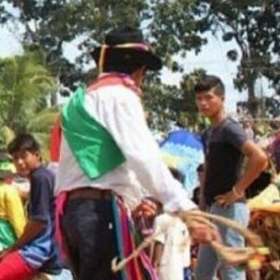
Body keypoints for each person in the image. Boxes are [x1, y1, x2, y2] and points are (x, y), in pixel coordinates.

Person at [54, 28, 218, 280]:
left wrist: (133, 198)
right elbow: (143, 156)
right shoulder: (120, 96)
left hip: (75, 212)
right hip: (100, 212)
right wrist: (186, 208)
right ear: (139, 70)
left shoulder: (82, 102)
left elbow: (104, 163)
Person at [194, 75, 269, 280]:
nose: (203, 103)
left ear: (222, 98)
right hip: (212, 209)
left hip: (231, 208)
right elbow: (208, 167)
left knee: (232, 270)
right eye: (199, 98)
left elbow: (260, 158)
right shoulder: (208, 133)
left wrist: (235, 192)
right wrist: (202, 204)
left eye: (208, 97)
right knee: (202, 273)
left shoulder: (230, 128)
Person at [0, 135, 59, 280]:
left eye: (24, 156)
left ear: (37, 155)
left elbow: (39, 222)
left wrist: (13, 248)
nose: (20, 162)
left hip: (37, 252)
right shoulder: (39, 178)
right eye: (15, 158)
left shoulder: (40, 178)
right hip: (30, 248)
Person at [151, 168, 191, 280]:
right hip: (180, 270)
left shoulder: (161, 220)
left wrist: (155, 264)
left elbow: (159, 245)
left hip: (165, 270)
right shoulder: (184, 221)